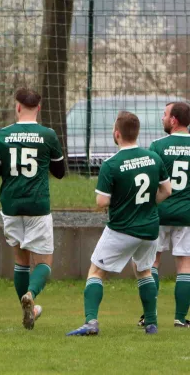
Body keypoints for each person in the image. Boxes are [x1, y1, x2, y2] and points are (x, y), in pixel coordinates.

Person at [66, 111, 171, 336]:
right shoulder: (154, 158)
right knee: (144, 271)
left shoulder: (111, 164)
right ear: (137, 132)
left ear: (117, 134)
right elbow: (167, 190)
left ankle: (91, 323)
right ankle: (151, 324)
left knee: (96, 272)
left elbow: (102, 200)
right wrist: (147, 205)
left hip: (122, 228)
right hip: (150, 228)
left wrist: (125, 201)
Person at [0, 87, 65, 330]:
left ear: (17, 107)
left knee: (21, 260)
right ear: (38, 108)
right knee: (44, 262)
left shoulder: (1, 135)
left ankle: (27, 309)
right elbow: (60, 173)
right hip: (37, 205)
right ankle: (31, 294)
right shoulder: (48, 135)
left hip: (11, 204)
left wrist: (7, 165)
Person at [135, 101, 190, 328]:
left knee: (152, 263)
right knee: (185, 265)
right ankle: (179, 318)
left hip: (159, 213)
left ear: (174, 120)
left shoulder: (157, 146)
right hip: (187, 216)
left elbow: (148, 180)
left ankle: (149, 315)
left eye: (165, 115)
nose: (162, 118)